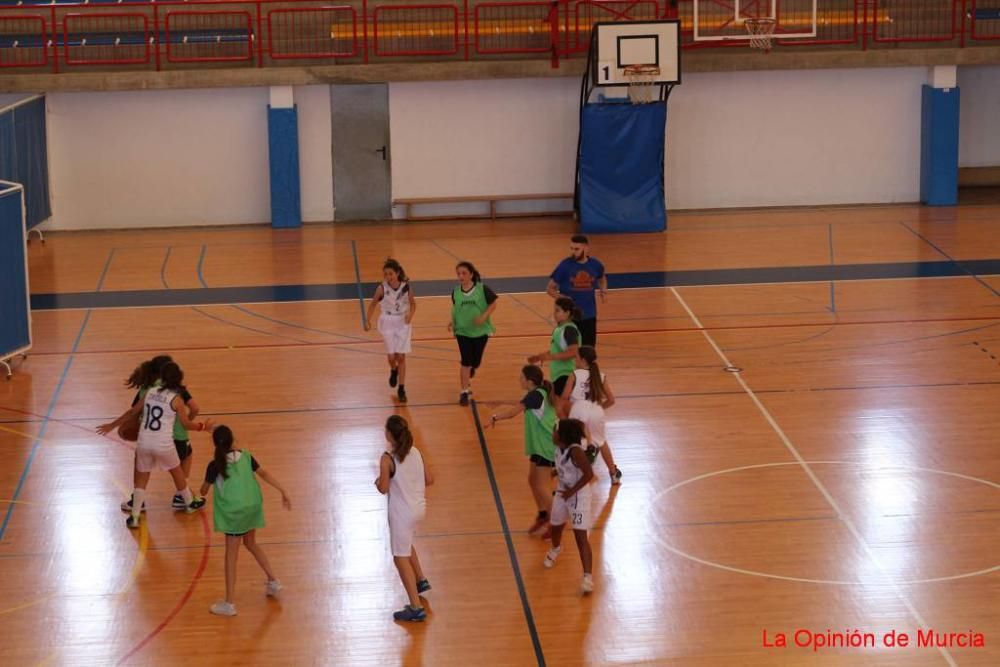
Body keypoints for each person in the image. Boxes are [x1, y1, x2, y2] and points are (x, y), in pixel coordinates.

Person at [200, 425, 291, 617]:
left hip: (235, 513)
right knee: (250, 543)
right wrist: (283, 490)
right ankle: (273, 582)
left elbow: (203, 491)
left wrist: (203, 487)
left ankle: (229, 603)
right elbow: (264, 474)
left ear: (215, 444)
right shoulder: (247, 456)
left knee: (230, 556)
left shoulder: (214, 465)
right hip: (253, 507)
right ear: (233, 440)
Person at [98, 355, 199, 512]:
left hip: (148, 438)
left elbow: (133, 412)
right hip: (175, 438)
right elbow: (195, 408)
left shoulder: (148, 389)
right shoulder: (178, 390)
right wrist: (192, 424)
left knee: (141, 471)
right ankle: (182, 497)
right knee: (184, 459)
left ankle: (137, 505)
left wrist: (114, 425)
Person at [124, 361, 211, 529]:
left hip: (144, 441)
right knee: (178, 473)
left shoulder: (150, 391)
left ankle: (134, 516)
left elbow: (133, 412)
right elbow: (186, 424)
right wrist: (202, 427)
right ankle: (188, 502)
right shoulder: (176, 398)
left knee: (141, 479)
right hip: (163, 443)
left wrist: (117, 426)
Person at [487, 365, 557, 538]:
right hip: (539, 446)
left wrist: (495, 417)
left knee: (541, 486)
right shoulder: (538, 393)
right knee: (533, 481)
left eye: (521, 377)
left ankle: (556, 522)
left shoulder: (535, 395)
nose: (519, 380)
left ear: (530, 381)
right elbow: (522, 402)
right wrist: (501, 401)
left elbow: (513, 412)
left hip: (546, 447)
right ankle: (543, 515)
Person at [375, 415, 434, 622]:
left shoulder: (387, 458)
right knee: (406, 544)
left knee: (399, 557)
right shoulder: (416, 451)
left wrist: (379, 480)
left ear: (390, 435)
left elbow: (382, 488)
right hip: (419, 508)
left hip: (402, 514)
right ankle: (421, 580)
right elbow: (430, 479)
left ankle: (416, 607)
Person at [543, 418, 595, 594]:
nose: (552, 434)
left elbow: (589, 474)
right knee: (555, 527)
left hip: (578, 496)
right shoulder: (559, 449)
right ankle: (556, 548)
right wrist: (556, 471)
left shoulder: (576, 452)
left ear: (562, 435)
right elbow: (566, 467)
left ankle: (587, 577)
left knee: (580, 537)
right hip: (563, 492)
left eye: (554, 431)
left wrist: (571, 491)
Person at [562, 346, 622, 484]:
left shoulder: (574, 375)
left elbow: (564, 398)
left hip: (578, 410)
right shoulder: (600, 376)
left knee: (574, 443)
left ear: (582, 360)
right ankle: (613, 474)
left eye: (576, 357)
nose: (574, 359)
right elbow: (611, 400)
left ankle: (571, 475)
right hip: (596, 412)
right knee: (601, 441)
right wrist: (598, 407)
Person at [365, 258, 416, 403]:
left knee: (401, 357)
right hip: (387, 321)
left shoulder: (406, 288)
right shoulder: (381, 288)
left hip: (402, 323)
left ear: (397, 273)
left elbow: (413, 304)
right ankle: (393, 370)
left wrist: (410, 315)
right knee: (392, 357)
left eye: (391, 274)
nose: (388, 277)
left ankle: (402, 388)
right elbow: (373, 304)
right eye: (386, 274)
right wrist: (367, 320)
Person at [448, 261, 498, 406]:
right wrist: (452, 322)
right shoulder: (456, 292)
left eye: (464, 273)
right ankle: (464, 392)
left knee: (475, 362)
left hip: (480, 332)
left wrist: (483, 316)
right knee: (465, 361)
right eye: (458, 273)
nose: (460, 276)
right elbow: (455, 309)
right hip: (462, 331)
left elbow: (493, 303)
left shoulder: (482, 289)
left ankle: (472, 368)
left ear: (471, 274)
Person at [547, 235, 607, 347]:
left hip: (589, 315)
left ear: (586, 248)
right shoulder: (564, 265)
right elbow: (550, 289)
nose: (573, 252)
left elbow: (602, 277)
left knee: (588, 350)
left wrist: (603, 290)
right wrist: (563, 299)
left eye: (577, 249)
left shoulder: (595, 265)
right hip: (569, 316)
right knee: (569, 350)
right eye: (572, 248)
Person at [527, 297, 581, 406]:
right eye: (554, 310)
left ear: (567, 313)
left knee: (560, 410)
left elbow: (573, 352)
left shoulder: (569, 330)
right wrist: (539, 357)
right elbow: (557, 350)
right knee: (560, 410)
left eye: (558, 310)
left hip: (566, 375)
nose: (554, 313)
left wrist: (549, 357)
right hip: (559, 376)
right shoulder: (560, 329)